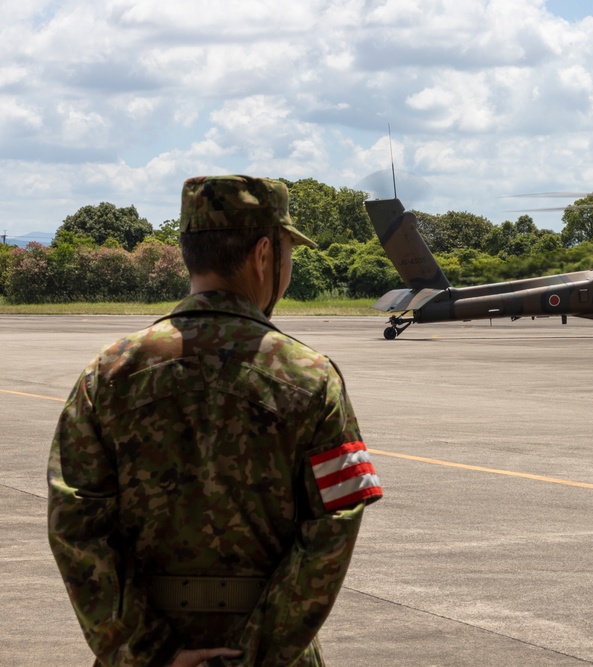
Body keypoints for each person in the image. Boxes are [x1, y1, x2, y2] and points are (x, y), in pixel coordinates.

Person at [48, 175, 382, 666]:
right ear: (264, 254)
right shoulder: (311, 377)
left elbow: (74, 524)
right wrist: (254, 654)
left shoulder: (109, 372)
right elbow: (334, 524)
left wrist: (149, 652)